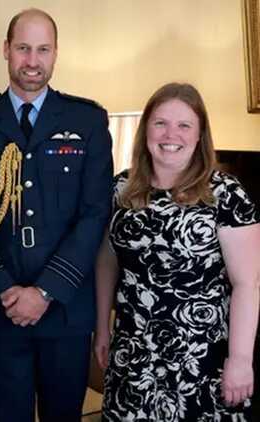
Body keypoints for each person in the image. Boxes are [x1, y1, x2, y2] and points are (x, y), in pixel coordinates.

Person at [0, 8, 113, 422]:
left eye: (43, 49)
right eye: (23, 48)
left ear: (56, 53)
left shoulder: (87, 120)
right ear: (6, 50)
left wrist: (44, 292)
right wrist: (5, 288)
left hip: (66, 308)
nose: (32, 61)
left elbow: (94, 215)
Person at [94, 82, 260, 421]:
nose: (172, 134)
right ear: (146, 131)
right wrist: (102, 327)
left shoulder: (226, 194)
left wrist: (240, 360)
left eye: (184, 125)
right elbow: (107, 262)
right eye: (160, 123)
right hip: (134, 353)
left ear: (200, 135)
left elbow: (248, 283)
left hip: (202, 358)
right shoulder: (120, 188)